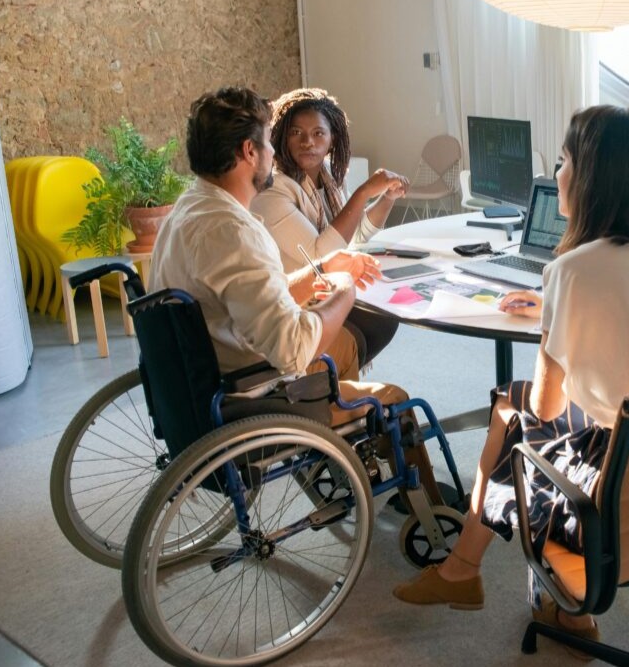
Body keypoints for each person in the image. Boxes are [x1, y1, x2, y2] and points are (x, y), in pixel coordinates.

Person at [392, 105, 629, 650]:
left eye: (564, 161)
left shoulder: (575, 271)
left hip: (626, 473)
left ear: (594, 176)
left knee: (512, 410)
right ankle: (516, 590)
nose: (555, 176)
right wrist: (564, 309)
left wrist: (562, 312)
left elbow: (547, 408)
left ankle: (469, 571)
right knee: (519, 407)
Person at [148, 87, 442, 498]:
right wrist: (343, 290)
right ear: (250, 151)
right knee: (400, 401)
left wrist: (320, 269)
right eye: (271, 141)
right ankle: (429, 515)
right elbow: (292, 348)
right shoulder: (236, 231)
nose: (275, 152)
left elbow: (248, 293)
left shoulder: (190, 209)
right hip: (256, 394)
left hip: (201, 380)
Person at [251, 87, 407, 368]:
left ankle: (337, 384)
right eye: (296, 133)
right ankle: (327, 385)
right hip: (294, 306)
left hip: (323, 292)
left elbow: (353, 236)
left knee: (385, 308)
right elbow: (322, 253)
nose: (307, 142)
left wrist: (386, 198)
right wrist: (363, 193)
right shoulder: (273, 190)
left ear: (333, 139)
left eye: (318, 133)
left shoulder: (329, 180)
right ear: (282, 136)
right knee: (367, 321)